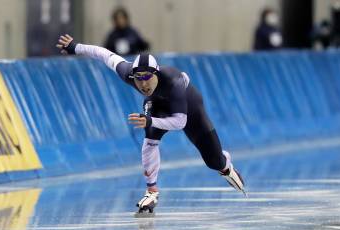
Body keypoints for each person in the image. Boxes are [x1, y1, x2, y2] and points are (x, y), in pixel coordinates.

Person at [56, 34, 246, 214]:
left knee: (214, 162)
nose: (143, 84)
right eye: (138, 78)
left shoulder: (173, 80)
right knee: (150, 138)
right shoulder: (127, 73)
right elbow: (105, 55)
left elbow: (181, 122)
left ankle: (226, 166)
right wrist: (76, 47)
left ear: (156, 74)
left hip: (189, 108)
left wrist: (150, 120)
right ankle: (152, 190)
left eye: (147, 78)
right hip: (156, 105)